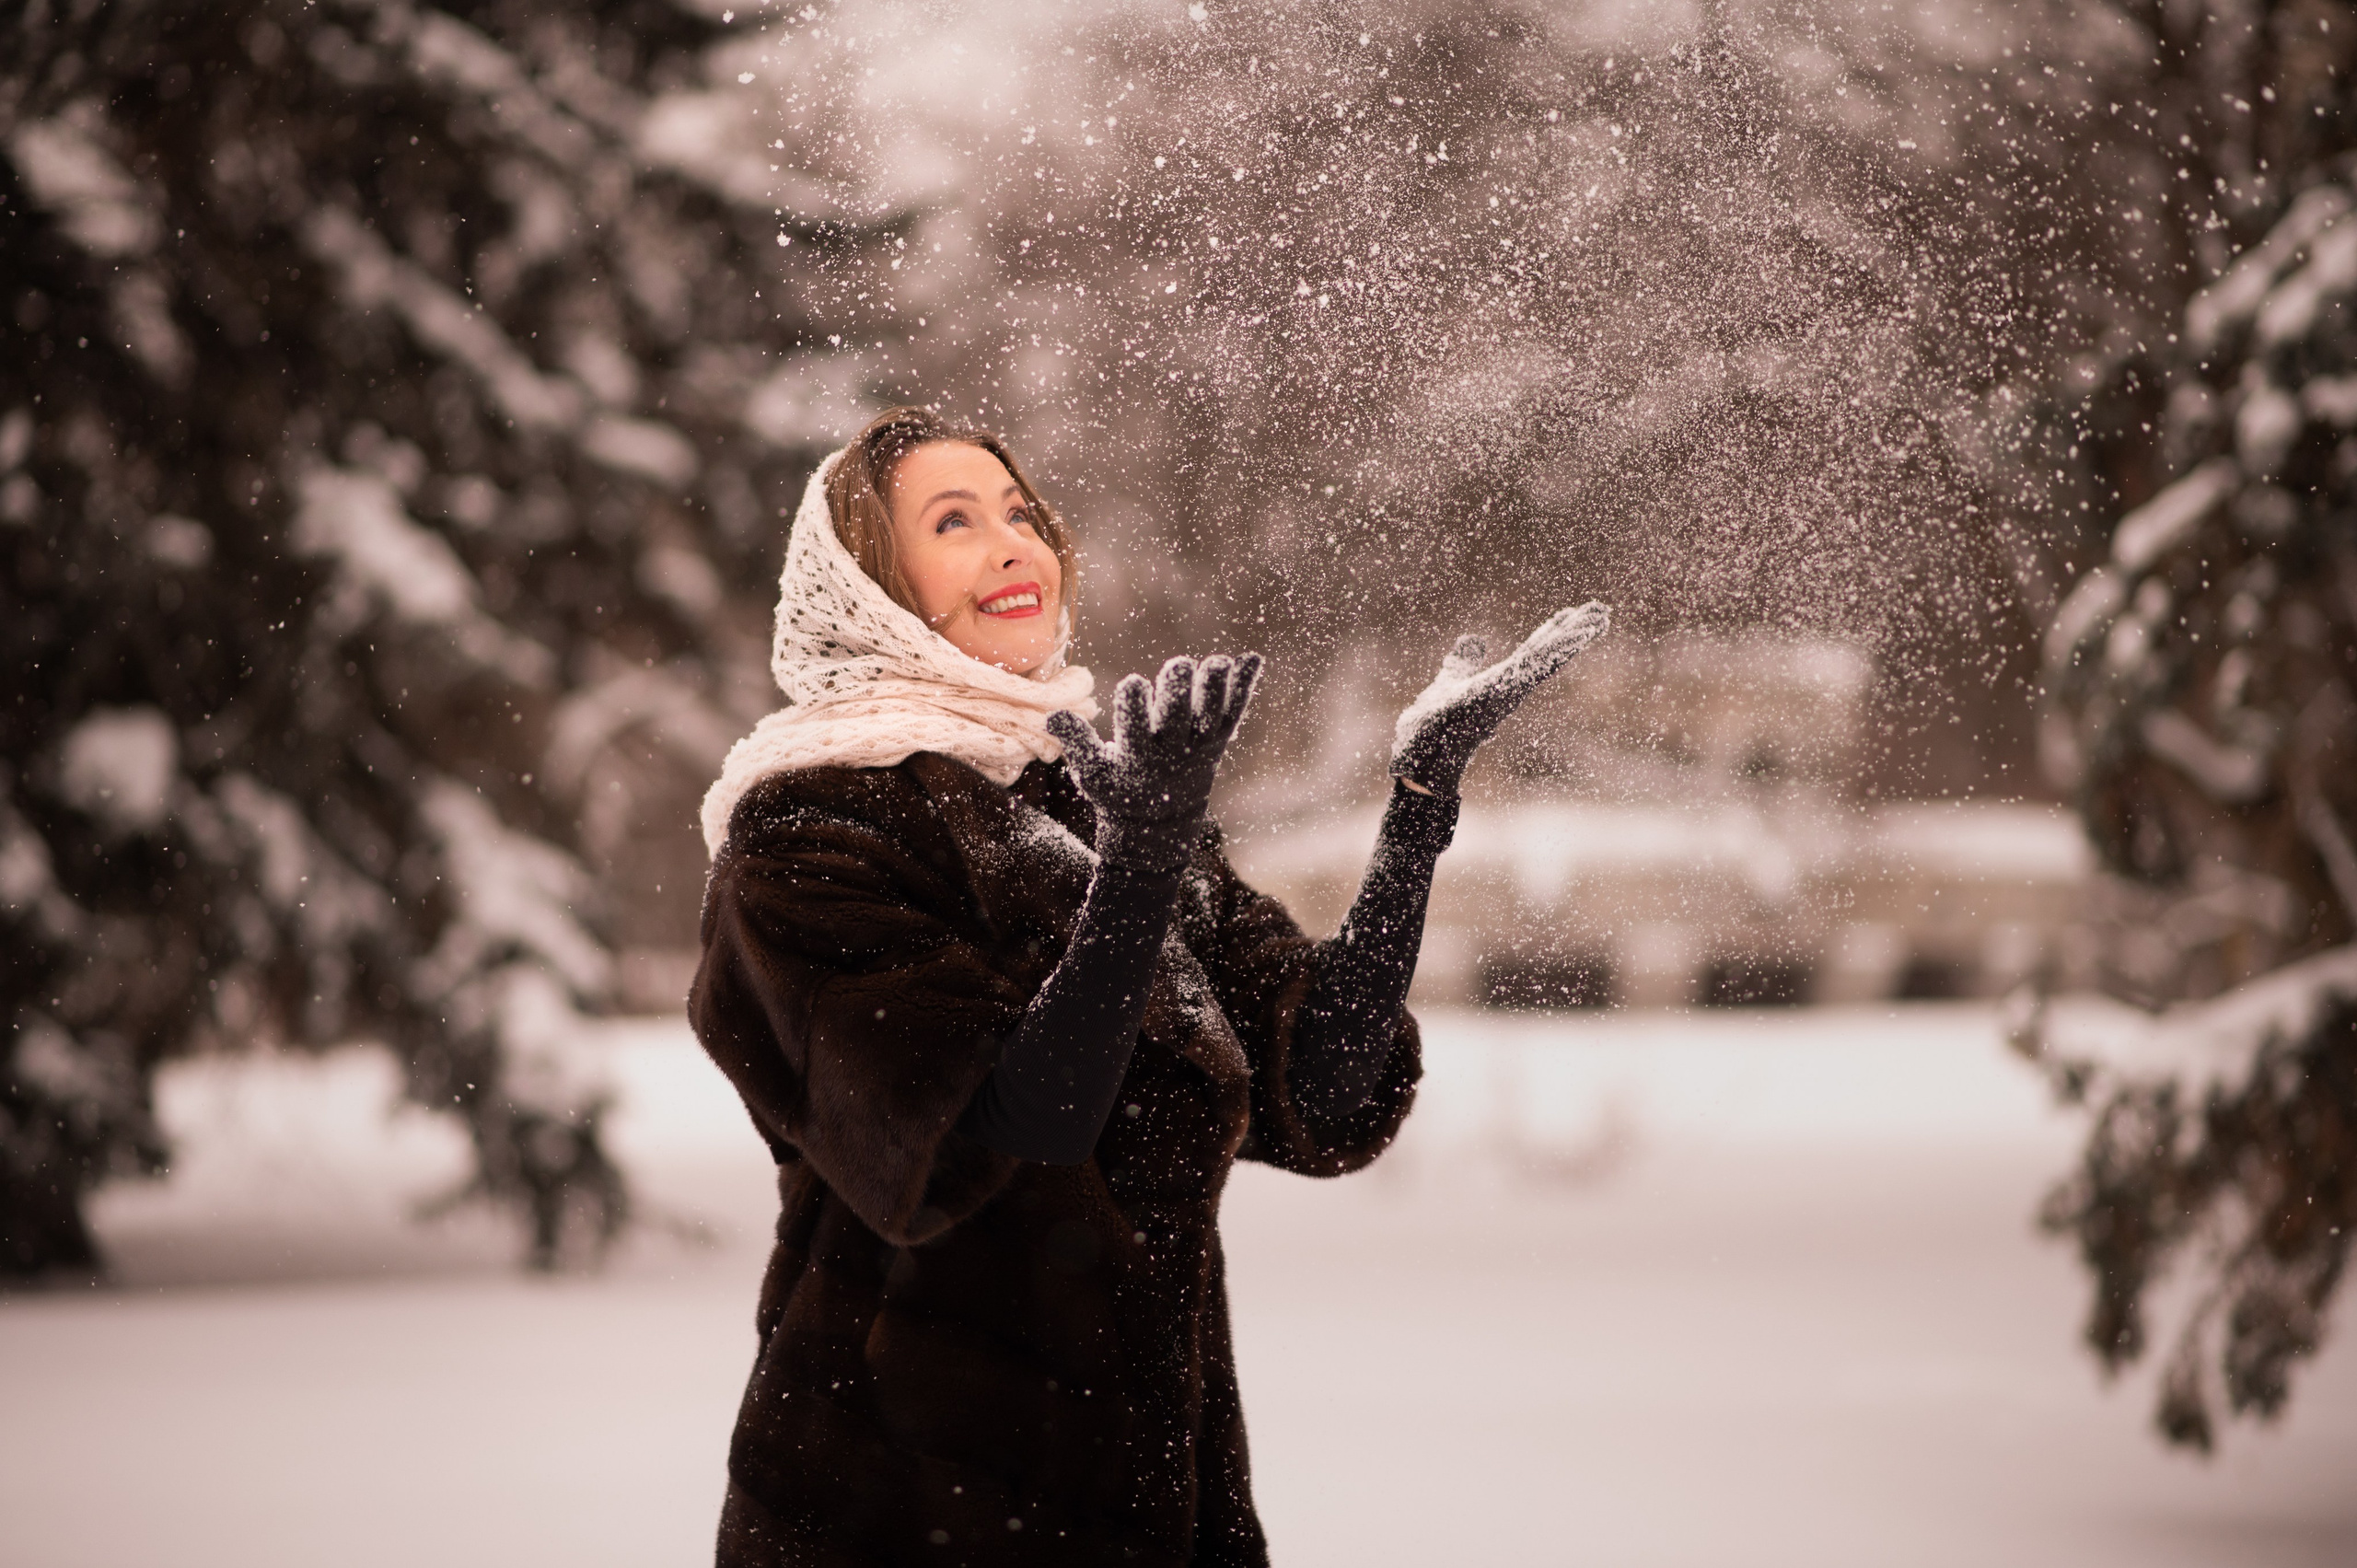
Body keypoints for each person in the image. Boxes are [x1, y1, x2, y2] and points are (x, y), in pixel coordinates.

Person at [691, 405, 1609, 1566]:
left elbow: (1319, 1085)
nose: (1011, 542)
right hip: (904, 1501)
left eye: (1018, 512)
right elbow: (1002, 1128)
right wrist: (1137, 865)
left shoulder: (1090, 800)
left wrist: (1418, 808)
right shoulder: (808, 829)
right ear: (871, 582)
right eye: (953, 521)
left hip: (1153, 1491)